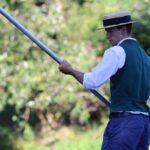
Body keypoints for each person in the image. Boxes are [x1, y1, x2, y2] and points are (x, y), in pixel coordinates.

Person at [59, 11, 150, 150]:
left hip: (125, 124)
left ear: (123, 30)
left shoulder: (117, 52)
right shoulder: (146, 59)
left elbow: (93, 81)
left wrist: (70, 70)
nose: (107, 36)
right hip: (144, 124)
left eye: (110, 31)